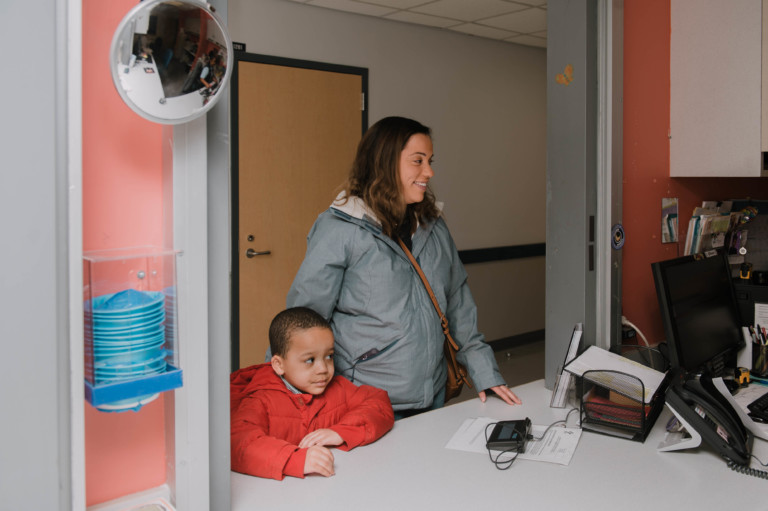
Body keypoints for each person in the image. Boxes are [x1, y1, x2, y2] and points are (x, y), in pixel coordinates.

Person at [286, 116, 522, 418]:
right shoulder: (340, 229)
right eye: (418, 161)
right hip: (362, 404)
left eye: (430, 160)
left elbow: (459, 308)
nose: (429, 171)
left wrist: (485, 375)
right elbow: (302, 323)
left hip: (433, 397)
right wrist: (291, 400)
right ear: (384, 163)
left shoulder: (433, 227)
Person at [231, 307, 394, 480]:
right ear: (279, 365)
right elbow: (238, 443)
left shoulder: (337, 388)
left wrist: (341, 432)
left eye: (329, 356)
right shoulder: (261, 400)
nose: (323, 369)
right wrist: (295, 459)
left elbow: (379, 403)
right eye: (310, 360)